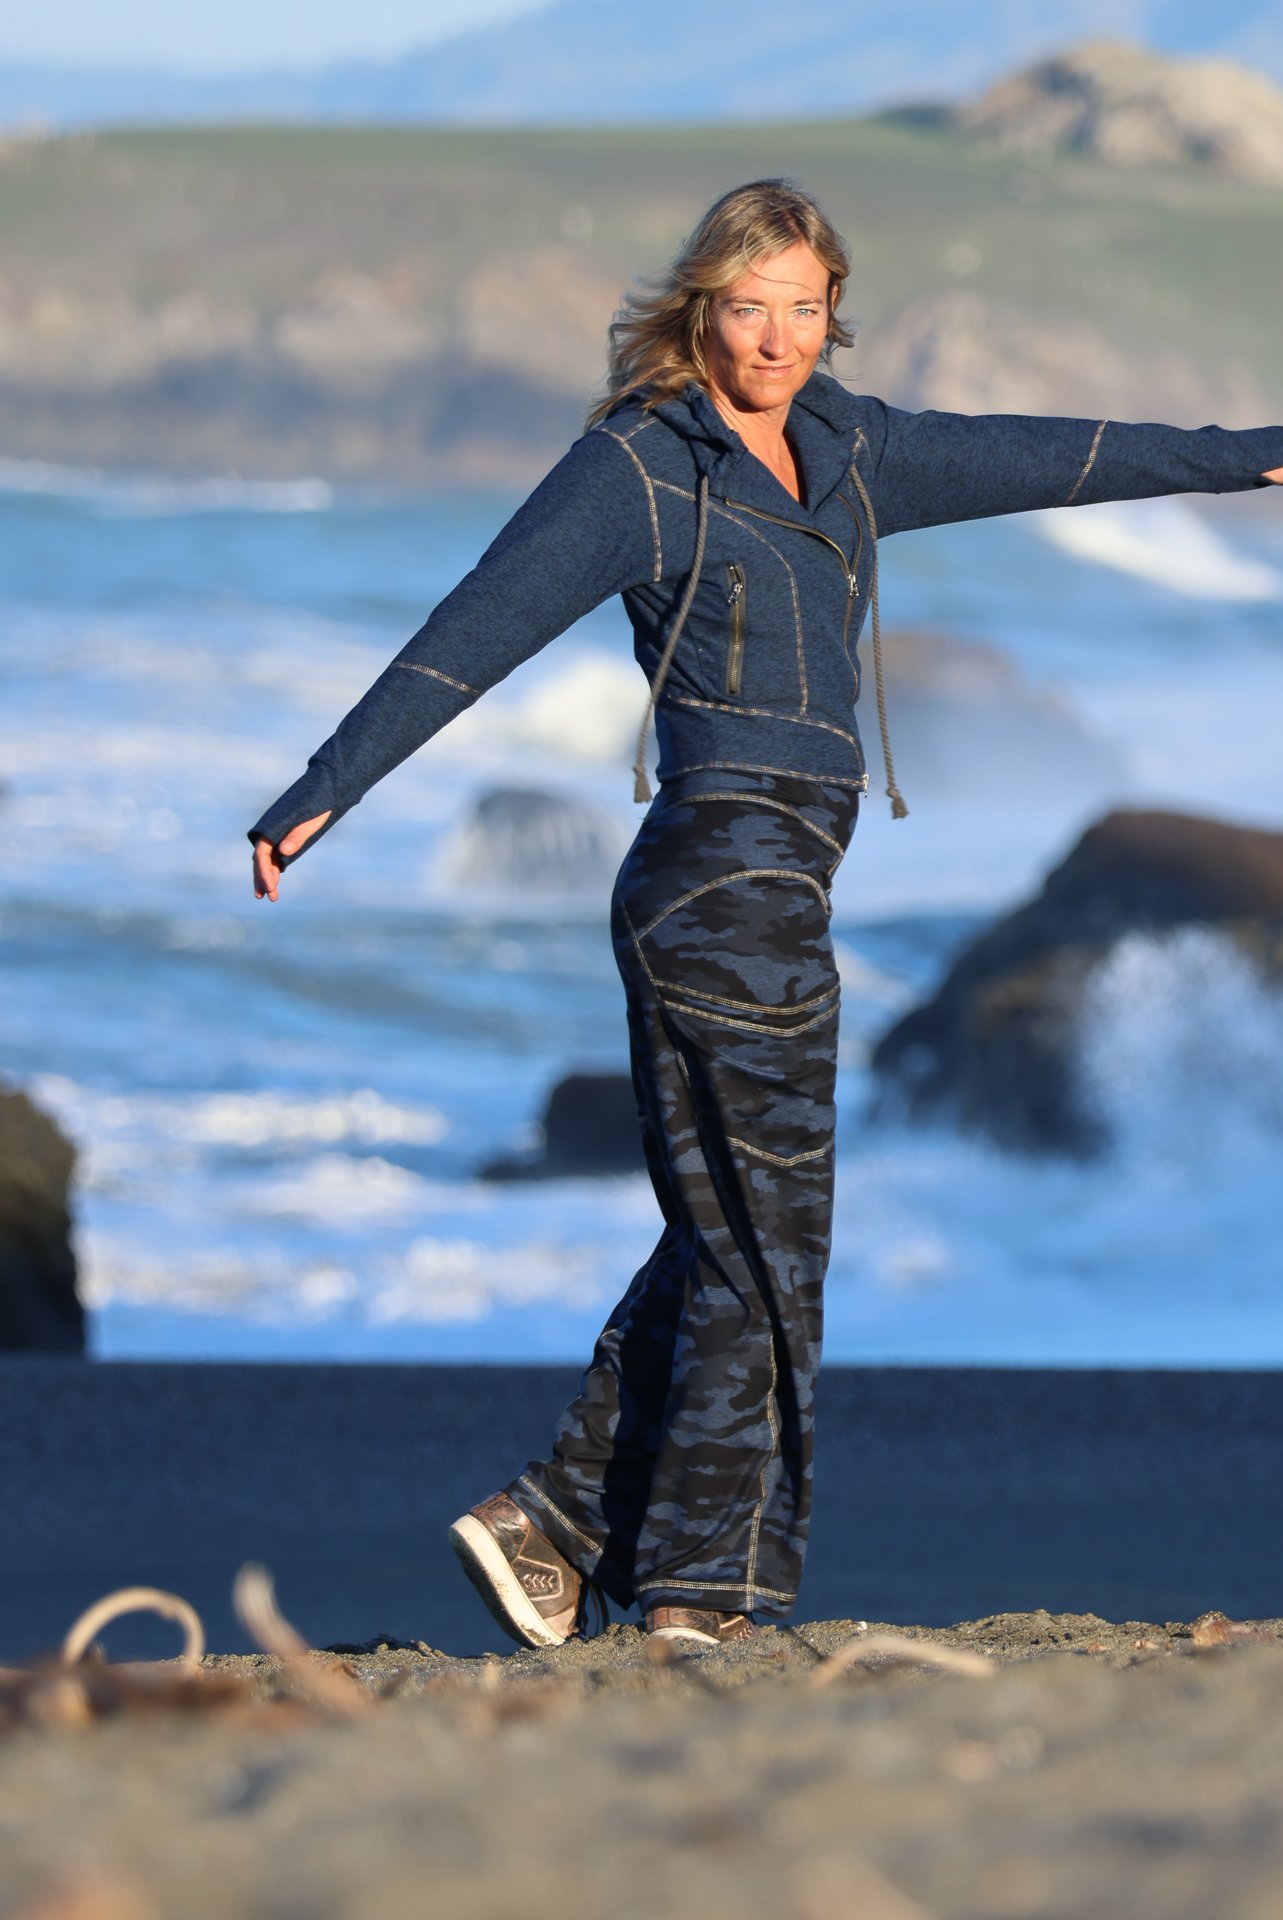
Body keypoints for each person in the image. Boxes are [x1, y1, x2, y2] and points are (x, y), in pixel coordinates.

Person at [250, 178, 1282, 1649]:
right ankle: (697, 1592)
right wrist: (324, 786)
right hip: (713, 879)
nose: (781, 337)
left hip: (786, 886)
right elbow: (480, 622)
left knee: (736, 1224)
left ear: (832, 314)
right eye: (752, 308)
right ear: (700, 310)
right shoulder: (641, 468)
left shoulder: (856, 454)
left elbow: (1070, 455)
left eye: (806, 308)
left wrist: (1253, 458)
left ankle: (552, 1518)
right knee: (766, 1243)